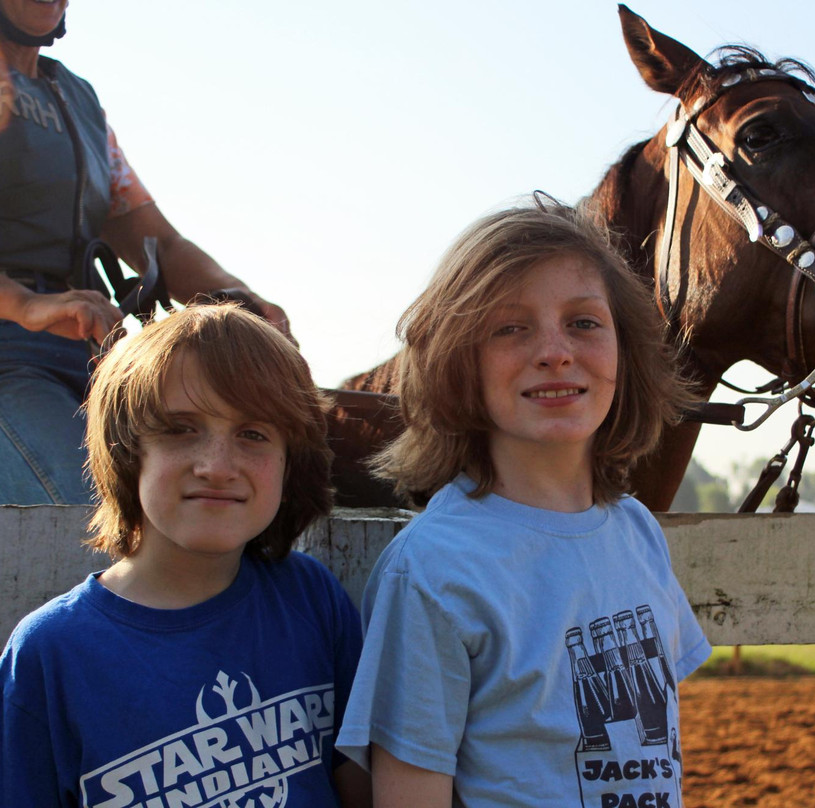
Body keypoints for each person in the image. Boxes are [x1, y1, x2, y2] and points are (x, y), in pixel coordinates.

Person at [337, 198, 712, 808]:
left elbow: (651, 755)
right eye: (511, 328)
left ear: (626, 350)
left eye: (584, 322)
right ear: (459, 363)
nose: (556, 351)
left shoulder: (638, 531)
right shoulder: (435, 568)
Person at [0, 304, 370, 808]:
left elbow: (357, 783)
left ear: (289, 464)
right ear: (128, 451)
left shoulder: (311, 598)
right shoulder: (49, 652)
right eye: (180, 428)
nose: (217, 467)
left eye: (253, 434)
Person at [0, 0, 289, 505]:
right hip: (8, 356)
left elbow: (160, 240)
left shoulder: (78, 101)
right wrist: (25, 305)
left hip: (87, 353)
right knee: (89, 510)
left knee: (179, 504)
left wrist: (241, 299)